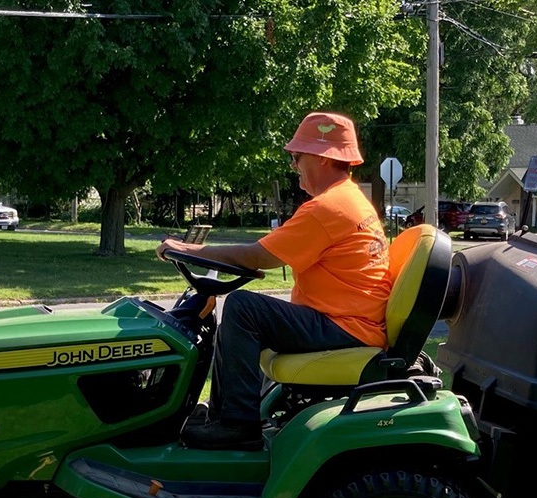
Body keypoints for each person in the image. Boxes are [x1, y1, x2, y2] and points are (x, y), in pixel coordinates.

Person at [156, 111, 391, 450]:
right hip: (351, 321)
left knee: (243, 308)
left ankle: (238, 425)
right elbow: (267, 254)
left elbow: (259, 257)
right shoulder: (348, 200)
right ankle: (223, 415)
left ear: (324, 158)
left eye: (298, 156)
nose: (293, 164)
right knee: (246, 313)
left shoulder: (329, 208)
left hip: (346, 326)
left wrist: (190, 249)